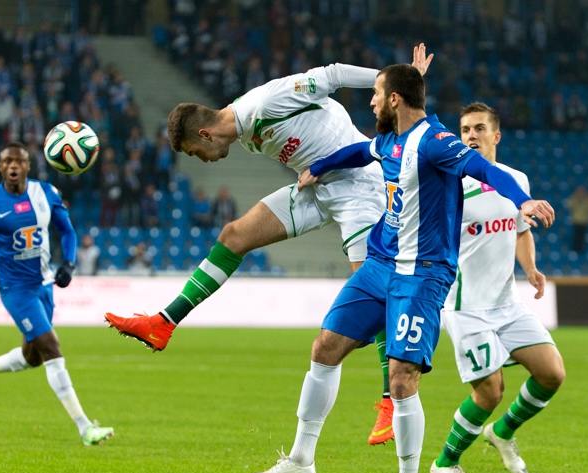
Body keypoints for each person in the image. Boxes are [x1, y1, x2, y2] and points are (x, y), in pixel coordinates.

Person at [248, 65, 554, 473]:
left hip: (422, 274)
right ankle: (300, 460)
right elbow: (358, 152)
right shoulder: (389, 142)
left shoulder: (437, 143)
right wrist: (319, 166)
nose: (370, 101)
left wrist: (521, 200)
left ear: (394, 99)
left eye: (376, 93)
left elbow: (483, 169)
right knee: (325, 347)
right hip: (379, 266)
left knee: (401, 378)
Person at [105, 45, 435, 447]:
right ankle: (163, 323)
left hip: (359, 186)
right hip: (315, 186)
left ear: (205, 133)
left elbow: (330, 75)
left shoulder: (267, 101)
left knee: (372, 285)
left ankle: (389, 398)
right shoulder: (246, 133)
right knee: (234, 235)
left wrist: (396, 79)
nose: (204, 160)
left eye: (197, 152)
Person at [429, 102, 565, 473]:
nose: (470, 135)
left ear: (495, 136)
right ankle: (445, 462)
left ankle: (502, 432)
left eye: (478, 128)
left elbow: (521, 230)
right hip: (466, 305)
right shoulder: (450, 185)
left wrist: (531, 268)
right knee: (490, 391)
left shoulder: (515, 179)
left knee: (552, 373)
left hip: (507, 303)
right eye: (465, 129)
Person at [0, 141, 113, 446]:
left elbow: (67, 231)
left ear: (28, 165)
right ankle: (85, 428)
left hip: (44, 286)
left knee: (33, 358)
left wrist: (68, 263)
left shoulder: (46, 193)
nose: (13, 166)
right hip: (16, 291)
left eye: (19, 161)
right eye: (6, 162)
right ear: (0, 167)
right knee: (52, 349)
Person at [566, 185, 588, 253]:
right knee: (576, 237)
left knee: (583, 237)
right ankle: (575, 250)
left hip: (584, 221)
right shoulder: (574, 199)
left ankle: (582, 251)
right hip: (576, 221)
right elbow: (568, 205)